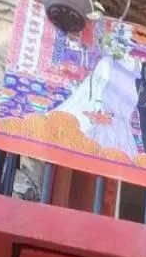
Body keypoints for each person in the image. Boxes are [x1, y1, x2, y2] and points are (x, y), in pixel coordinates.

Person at [55, 25, 139, 159]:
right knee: (98, 131)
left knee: (118, 137)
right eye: (120, 44)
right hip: (105, 101)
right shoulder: (108, 62)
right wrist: (99, 102)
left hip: (121, 107)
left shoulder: (134, 65)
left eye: (126, 45)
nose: (124, 48)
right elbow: (98, 83)